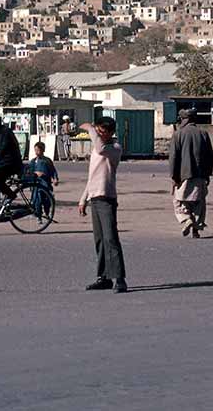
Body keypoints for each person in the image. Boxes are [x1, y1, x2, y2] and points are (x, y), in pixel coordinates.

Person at [78, 117, 127, 294]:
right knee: (99, 240)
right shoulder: (98, 149)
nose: (98, 134)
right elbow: (93, 177)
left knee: (110, 238)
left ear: (111, 133)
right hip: (95, 198)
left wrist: (91, 129)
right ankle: (104, 277)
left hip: (107, 199)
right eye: (98, 130)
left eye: (102, 131)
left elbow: (100, 147)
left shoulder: (114, 148)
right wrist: (84, 198)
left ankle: (119, 278)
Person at [169, 108, 213, 238]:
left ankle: (186, 219)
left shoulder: (178, 134)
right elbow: (209, 156)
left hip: (183, 175)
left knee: (180, 201)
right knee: (199, 202)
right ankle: (196, 229)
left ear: (183, 120)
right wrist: (207, 174)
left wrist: (174, 177)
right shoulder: (203, 133)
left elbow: (173, 158)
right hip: (200, 174)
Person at [26, 141, 59, 216]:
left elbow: (53, 170)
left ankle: (47, 213)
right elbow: (29, 172)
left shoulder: (47, 161)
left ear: (43, 150)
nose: (36, 152)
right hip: (36, 185)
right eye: (35, 150)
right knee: (37, 200)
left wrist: (55, 179)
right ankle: (38, 215)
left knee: (47, 201)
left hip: (46, 184)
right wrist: (35, 174)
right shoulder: (33, 161)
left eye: (38, 150)